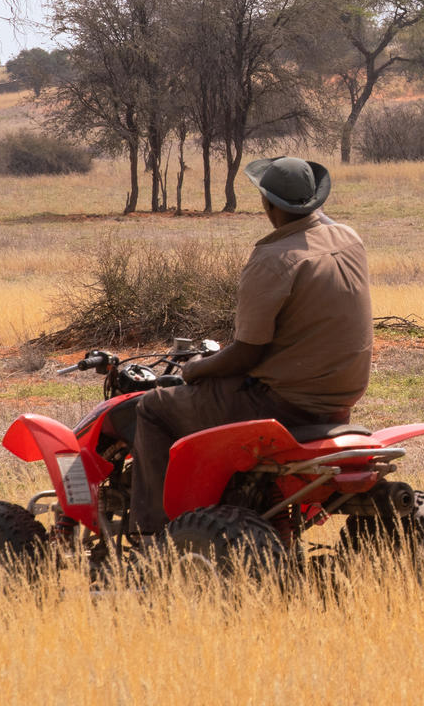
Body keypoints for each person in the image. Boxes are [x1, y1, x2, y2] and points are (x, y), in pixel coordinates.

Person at [129, 156, 373, 535]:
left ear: (268, 205)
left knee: (153, 408)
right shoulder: (350, 238)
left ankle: (154, 534)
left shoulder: (274, 259)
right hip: (340, 398)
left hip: (285, 403)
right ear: (314, 200)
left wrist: (195, 368)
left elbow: (246, 353)